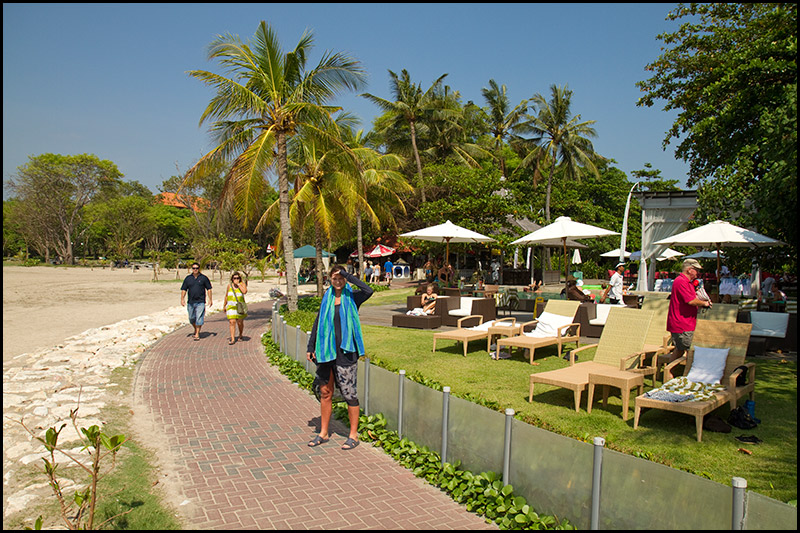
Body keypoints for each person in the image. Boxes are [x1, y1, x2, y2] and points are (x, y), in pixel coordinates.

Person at [306, 265, 373, 450]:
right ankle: (323, 433)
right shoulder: (326, 298)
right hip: (326, 353)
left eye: (340, 278)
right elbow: (318, 322)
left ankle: (353, 435)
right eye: (334, 278)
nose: (338, 281)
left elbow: (369, 290)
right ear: (329, 279)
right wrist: (311, 346)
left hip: (346, 352)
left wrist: (348, 275)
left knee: (349, 394)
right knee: (325, 392)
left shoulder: (353, 297)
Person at [666, 258, 712, 363]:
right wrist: (704, 303)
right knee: (690, 351)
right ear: (690, 270)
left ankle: (669, 373)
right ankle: (689, 373)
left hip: (684, 322)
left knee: (680, 350)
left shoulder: (687, 282)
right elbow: (690, 301)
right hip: (682, 323)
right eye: (696, 270)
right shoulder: (681, 281)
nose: (698, 273)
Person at [180, 262, 213, 341]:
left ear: (199, 269)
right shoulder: (188, 278)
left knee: (199, 318)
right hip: (190, 302)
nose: (195, 270)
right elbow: (184, 289)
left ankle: (197, 333)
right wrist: (182, 299)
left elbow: (209, 289)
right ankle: (196, 329)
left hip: (200, 301)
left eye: (197, 268)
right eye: (194, 268)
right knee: (191, 318)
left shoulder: (204, 278)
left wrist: (210, 299)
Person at [225, 271, 248, 345]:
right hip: (231, 306)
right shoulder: (229, 286)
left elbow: (244, 291)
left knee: (240, 322)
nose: (236, 279)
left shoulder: (242, 284)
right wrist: (224, 305)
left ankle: (240, 334)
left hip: (239, 307)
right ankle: (232, 338)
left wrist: (238, 284)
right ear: (232, 279)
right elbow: (226, 296)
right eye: (234, 278)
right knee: (232, 322)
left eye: (238, 278)